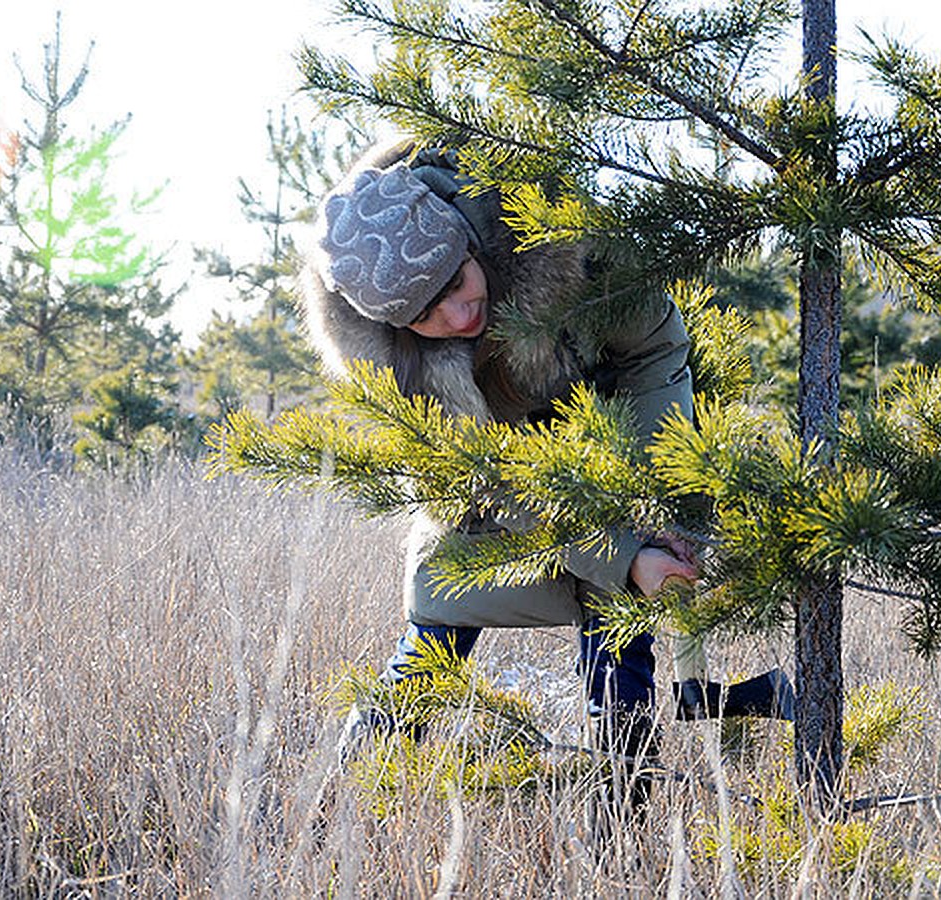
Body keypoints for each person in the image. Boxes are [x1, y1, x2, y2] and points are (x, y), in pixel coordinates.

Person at [300, 141, 700, 813]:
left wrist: (653, 497)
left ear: (467, 240)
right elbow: (492, 477)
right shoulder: (398, 368)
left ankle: (621, 835)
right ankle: (337, 822)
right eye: (428, 315)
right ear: (398, 326)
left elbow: (657, 347)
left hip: (606, 435)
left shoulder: (555, 239)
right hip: (491, 491)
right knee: (432, 641)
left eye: (458, 282)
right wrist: (626, 557)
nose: (459, 315)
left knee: (620, 643)